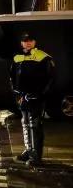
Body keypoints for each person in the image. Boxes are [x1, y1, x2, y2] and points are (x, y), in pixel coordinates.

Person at [9, 32, 55, 167]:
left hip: (36, 97)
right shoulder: (17, 57)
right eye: (25, 41)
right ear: (21, 43)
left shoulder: (43, 57)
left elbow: (51, 79)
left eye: (30, 40)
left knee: (34, 125)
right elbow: (11, 77)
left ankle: (36, 156)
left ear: (34, 42)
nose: (28, 43)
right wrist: (15, 92)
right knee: (25, 123)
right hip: (22, 97)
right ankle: (29, 151)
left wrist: (40, 94)